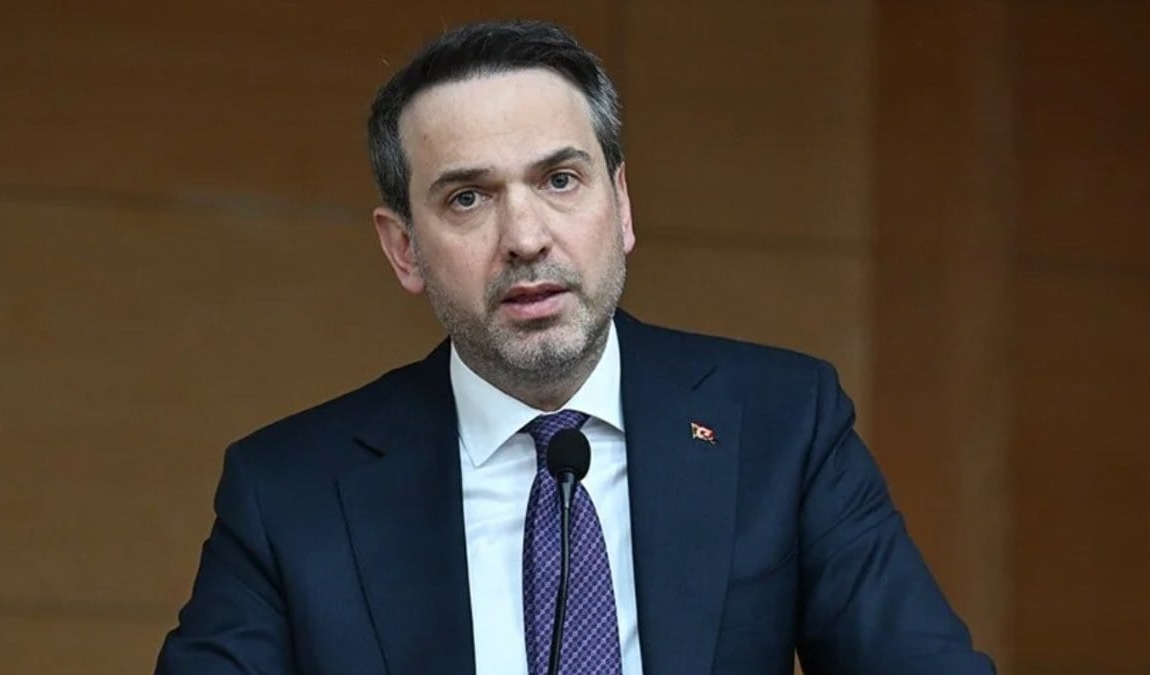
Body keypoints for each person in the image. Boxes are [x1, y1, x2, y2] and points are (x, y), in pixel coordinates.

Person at [156, 19, 995, 675]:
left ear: (620, 205)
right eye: (468, 198)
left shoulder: (782, 426)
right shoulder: (290, 492)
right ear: (403, 247)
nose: (526, 237)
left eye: (560, 180)